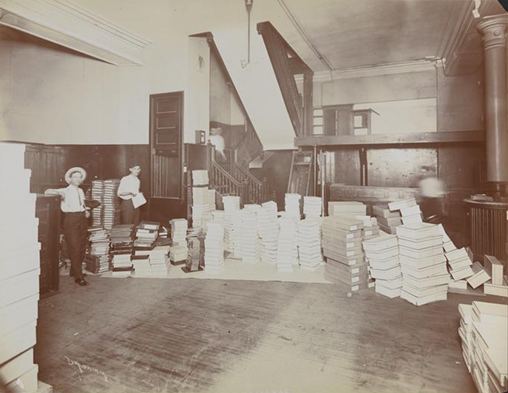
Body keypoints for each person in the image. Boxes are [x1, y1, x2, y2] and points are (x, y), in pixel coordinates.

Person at [45, 167, 90, 286]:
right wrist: (58, 193)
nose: (78, 179)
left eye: (80, 177)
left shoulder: (80, 191)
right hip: (71, 220)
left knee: (81, 247)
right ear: (70, 179)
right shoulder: (65, 191)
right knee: (75, 248)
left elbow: (83, 204)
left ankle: (74, 270)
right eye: (75, 177)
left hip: (82, 219)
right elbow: (47, 191)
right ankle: (78, 277)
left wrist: (86, 210)